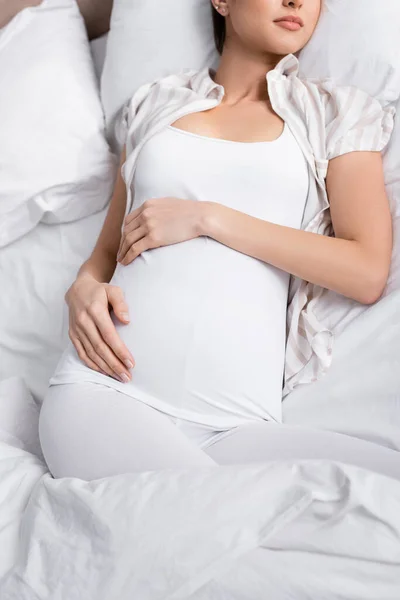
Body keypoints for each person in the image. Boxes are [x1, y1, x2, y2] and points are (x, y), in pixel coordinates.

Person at [39, 0, 395, 481]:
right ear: (221, 1)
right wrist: (81, 287)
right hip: (105, 393)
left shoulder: (337, 112)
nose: (296, 1)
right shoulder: (157, 103)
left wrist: (209, 218)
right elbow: (107, 251)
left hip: (237, 426)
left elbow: (367, 271)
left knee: (381, 486)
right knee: (204, 529)